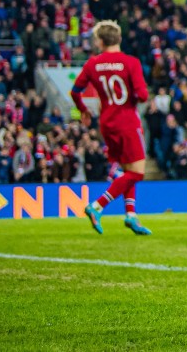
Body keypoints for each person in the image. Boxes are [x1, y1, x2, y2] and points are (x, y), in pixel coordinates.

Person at [69, 20, 152, 236]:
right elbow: (142, 95)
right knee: (137, 173)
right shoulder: (130, 62)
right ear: (119, 39)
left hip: (107, 123)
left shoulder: (92, 64)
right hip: (127, 121)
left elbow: (75, 91)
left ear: (100, 41)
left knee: (127, 170)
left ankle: (131, 215)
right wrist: (133, 95)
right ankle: (97, 206)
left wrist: (84, 110)